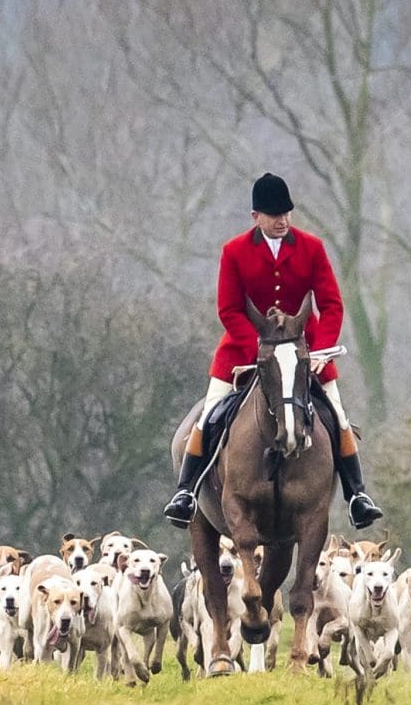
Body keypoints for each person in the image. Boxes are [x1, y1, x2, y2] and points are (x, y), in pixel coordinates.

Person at [164, 172, 383, 530]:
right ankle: (186, 492)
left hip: (306, 356)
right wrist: (262, 351)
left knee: (339, 417)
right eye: (273, 214)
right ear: (256, 217)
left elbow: (331, 305)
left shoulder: (312, 247)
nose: (282, 220)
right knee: (208, 418)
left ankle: (358, 495)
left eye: (286, 213)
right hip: (243, 355)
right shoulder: (233, 252)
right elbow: (229, 310)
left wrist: (322, 351)